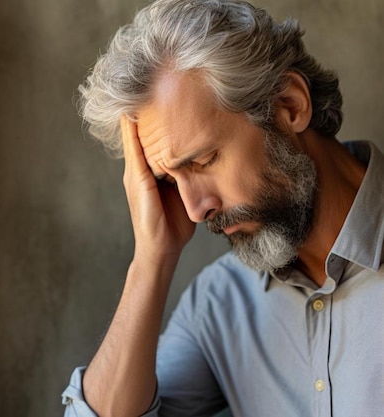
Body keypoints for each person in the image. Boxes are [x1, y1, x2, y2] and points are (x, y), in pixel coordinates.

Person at [61, 0, 384, 416]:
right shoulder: (220, 303)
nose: (195, 210)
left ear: (289, 105)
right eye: (169, 181)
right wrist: (151, 260)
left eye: (202, 161)